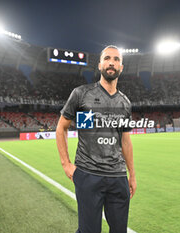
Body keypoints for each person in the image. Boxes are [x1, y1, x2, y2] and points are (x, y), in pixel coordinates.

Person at [56, 45, 136, 233]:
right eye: (107, 58)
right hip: (88, 174)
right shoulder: (82, 94)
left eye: (116, 59)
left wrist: (131, 174)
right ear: (100, 65)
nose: (111, 62)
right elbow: (62, 127)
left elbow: (125, 140)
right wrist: (66, 164)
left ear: (121, 67)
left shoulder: (125, 103)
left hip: (118, 177)